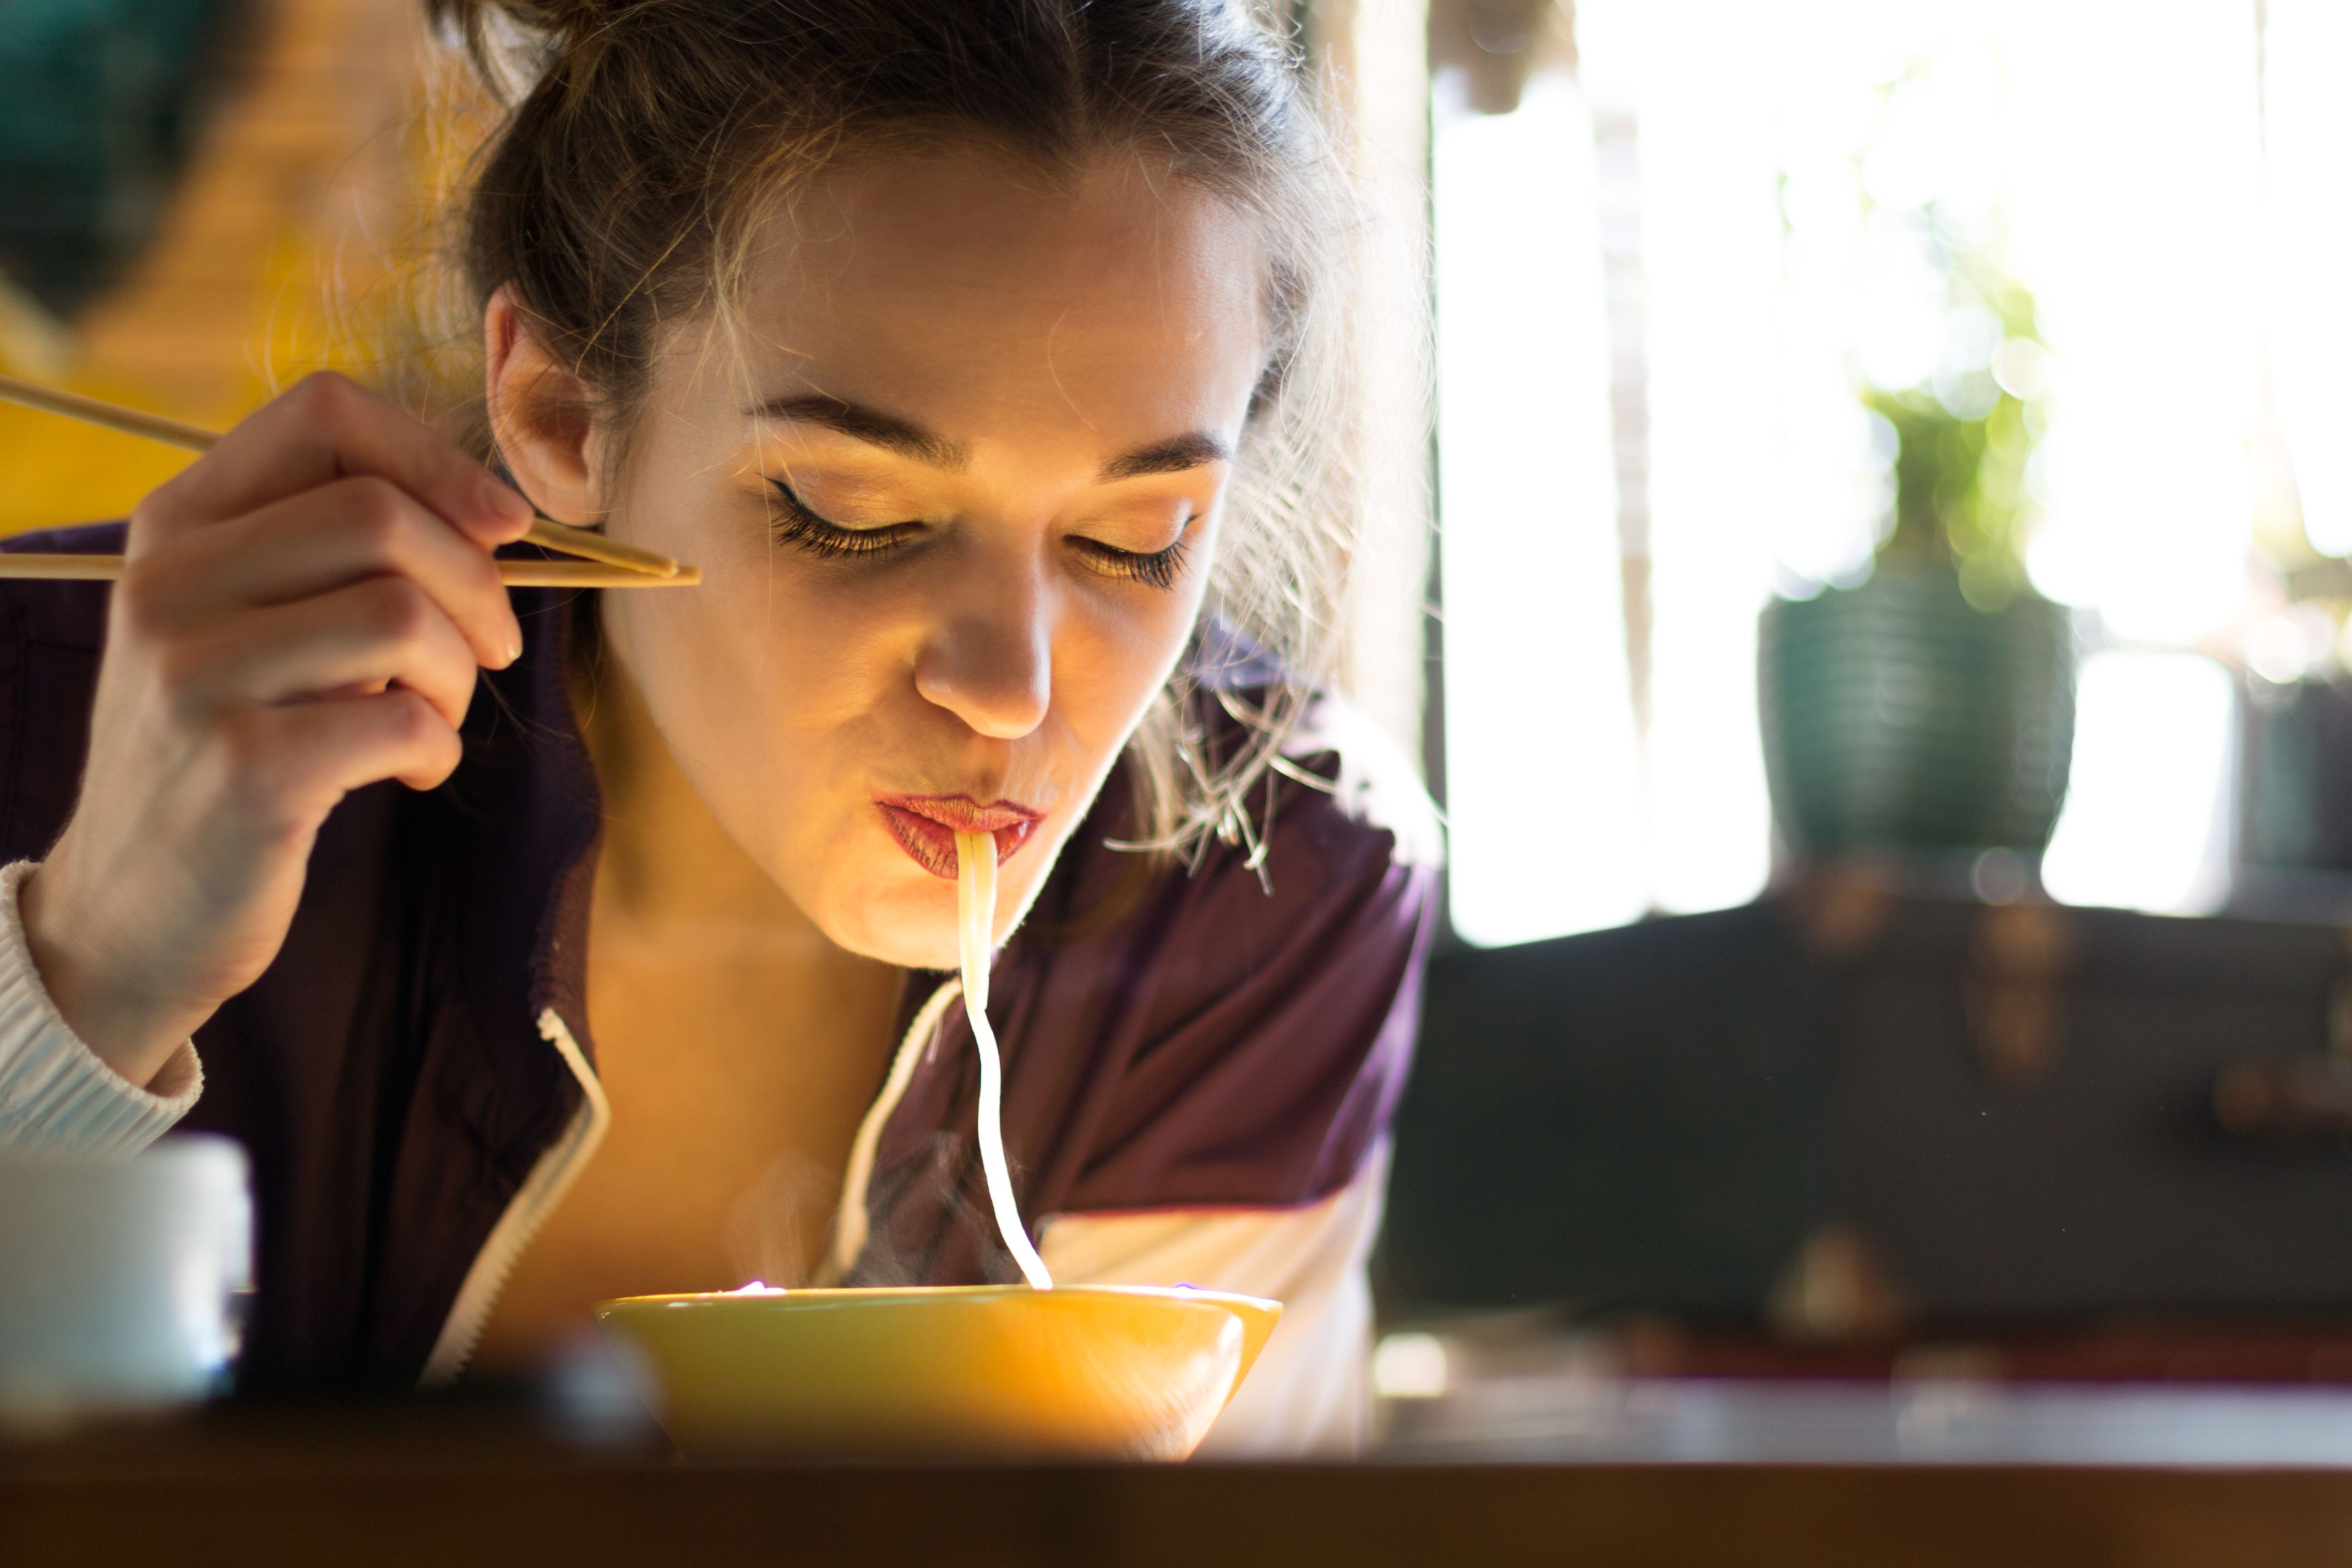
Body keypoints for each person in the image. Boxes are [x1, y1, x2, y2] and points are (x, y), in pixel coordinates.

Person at [0, 0, 1437, 1455]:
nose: (1012, 690)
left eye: (1138, 539)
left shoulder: (1256, 888)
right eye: (852, 514)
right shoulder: (101, 730)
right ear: (561, 414)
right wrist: (87, 974)